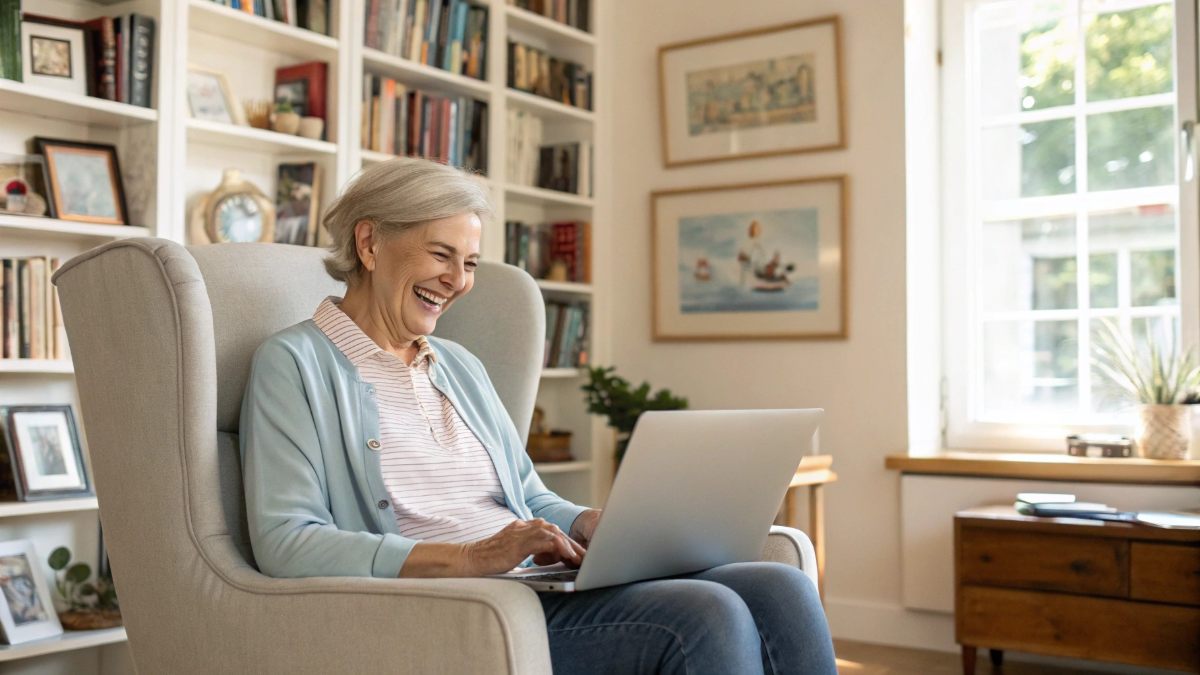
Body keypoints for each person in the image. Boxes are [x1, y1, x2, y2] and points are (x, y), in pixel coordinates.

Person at [239, 157, 837, 674]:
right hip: (448, 612)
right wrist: (471, 558)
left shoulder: (458, 365)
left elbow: (526, 496)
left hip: (530, 588)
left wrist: (583, 524)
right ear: (369, 244)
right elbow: (288, 543)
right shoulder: (293, 364)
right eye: (441, 255)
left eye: (469, 262)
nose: (457, 281)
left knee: (778, 585)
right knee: (707, 615)